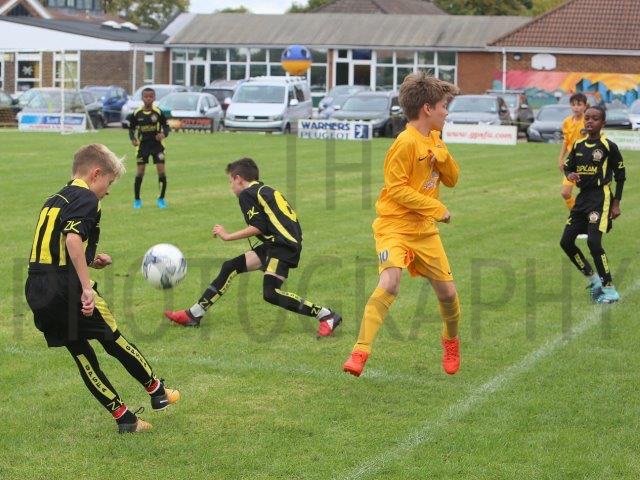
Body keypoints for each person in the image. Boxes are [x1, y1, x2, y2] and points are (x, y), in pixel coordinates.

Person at [25, 144, 180, 434]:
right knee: (113, 338)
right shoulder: (87, 197)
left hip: (37, 288)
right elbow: (72, 239)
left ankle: (125, 418)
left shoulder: (53, 199)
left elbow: (56, 248)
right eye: (108, 183)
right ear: (95, 174)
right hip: (66, 288)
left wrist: (90, 260)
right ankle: (157, 391)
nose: (107, 191)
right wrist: (86, 288)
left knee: (81, 354)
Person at [342, 72, 461, 377]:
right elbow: (396, 190)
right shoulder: (404, 144)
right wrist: (436, 207)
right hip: (393, 226)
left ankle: (450, 341)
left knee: (448, 295)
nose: (446, 112)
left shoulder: (435, 137)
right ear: (427, 109)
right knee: (390, 283)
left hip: (424, 231)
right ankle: (360, 351)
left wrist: (443, 158)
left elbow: (452, 179)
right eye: (444, 106)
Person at [164, 158, 342, 337]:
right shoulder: (265, 190)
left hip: (281, 246)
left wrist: (227, 236)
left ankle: (326, 315)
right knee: (230, 266)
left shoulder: (247, 194)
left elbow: (258, 226)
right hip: (278, 244)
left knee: (271, 293)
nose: (231, 186)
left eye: (230, 181)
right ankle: (193, 314)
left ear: (239, 179)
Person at [560, 106, 626, 304]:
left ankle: (610, 289)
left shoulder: (608, 146)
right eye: (587, 118)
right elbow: (567, 167)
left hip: (600, 197)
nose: (590, 121)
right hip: (582, 199)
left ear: (602, 123)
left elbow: (621, 176)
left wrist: (616, 203)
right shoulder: (578, 145)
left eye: (595, 119)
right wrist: (570, 174)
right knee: (566, 242)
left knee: (593, 242)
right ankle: (593, 279)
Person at [127, 87, 170, 209]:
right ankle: (137, 200)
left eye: (151, 96)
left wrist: (163, 134)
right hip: (143, 146)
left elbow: (166, 126)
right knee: (140, 172)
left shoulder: (158, 112)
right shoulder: (137, 113)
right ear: (142, 98)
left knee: (161, 171)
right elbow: (131, 128)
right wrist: (133, 139)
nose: (148, 99)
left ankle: (161, 199)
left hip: (157, 146)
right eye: (146, 97)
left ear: (154, 98)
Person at [558, 93, 588, 212]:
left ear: (585, 106)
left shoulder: (588, 121)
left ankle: (588, 215)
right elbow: (566, 141)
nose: (576, 107)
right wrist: (561, 159)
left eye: (579, 105)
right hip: (572, 161)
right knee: (565, 193)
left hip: (586, 161)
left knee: (587, 194)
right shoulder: (566, 122)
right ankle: (578, 213)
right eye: (574, 105)